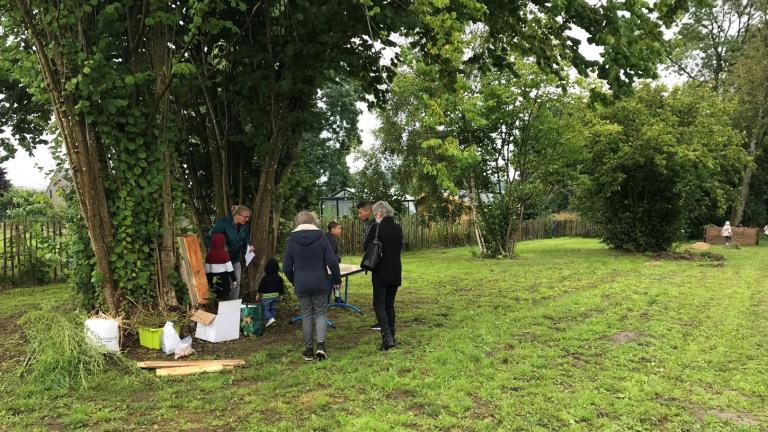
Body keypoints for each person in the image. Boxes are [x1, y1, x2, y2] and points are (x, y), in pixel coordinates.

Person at [282, 211, 341, 361]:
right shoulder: (321, 237)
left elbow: (286, 267)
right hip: (320, 281)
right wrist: (337, 280)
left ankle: (308, 350)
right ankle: (321, 346)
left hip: (301, 283)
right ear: (313, 221)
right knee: (321, 313)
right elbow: (332, 261)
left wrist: (294, 280)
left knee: (306, 315)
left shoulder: (292, 240)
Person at [364, 201, 403, 351]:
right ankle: (391, 335)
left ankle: (386, 337)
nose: (375, 217)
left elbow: (366, 246)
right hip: (395, 270)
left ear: (379, 214)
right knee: (389, 305)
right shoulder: (398, 228)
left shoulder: (376, 227)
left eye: (375, 214)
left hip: (380, 270)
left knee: (379, 305)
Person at [208, 205, 254, 300]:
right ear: (237, 215)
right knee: (223, 284)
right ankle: (223, 305)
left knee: (236, 283)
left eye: (248, 217)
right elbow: (212, 238)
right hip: (222, 261)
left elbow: (245, 240)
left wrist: (249, 246)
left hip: (235, 259)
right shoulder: (223, 223)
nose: (247, 219)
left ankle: (234, 306)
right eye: (245, 217)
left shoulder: (244, 226)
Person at [357, 201, 381, 331]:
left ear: (368, 211)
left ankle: (382, 322)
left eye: (360, 212)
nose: (359, 215)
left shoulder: (375, 224)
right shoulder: (371, 223)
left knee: (379, 294)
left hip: (378, 262)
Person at [204, 233, 237, 300]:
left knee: (215, 296)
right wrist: (234, 280)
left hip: (213, 279)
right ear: (223, 242)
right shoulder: (225, 254)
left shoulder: (209, 254)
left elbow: (207, 270)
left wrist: (208, 280)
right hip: (224, 280)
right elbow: (230, 269)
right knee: (225, 296)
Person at [257, 258, 285, 328]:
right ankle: (272, 322)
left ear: (267, 268)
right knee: (273, 308)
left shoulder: (265, 278)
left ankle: (270, 319)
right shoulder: (279, 278)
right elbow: (281, 288)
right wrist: (281, 296)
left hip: (267, 297)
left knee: (265, 309)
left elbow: (261, 287)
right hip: (276, 296)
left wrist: (258, 294)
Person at [326, 221, 343, 303]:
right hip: (329, 267)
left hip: (327, 266)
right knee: (334, 280)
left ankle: (337, 298)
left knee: (334, 281)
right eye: (339, 228)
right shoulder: (331, 240)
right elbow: (331, 256)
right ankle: (333, 299)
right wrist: (338, 258)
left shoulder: (328, 237)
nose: (340, 230)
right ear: (332, 229)